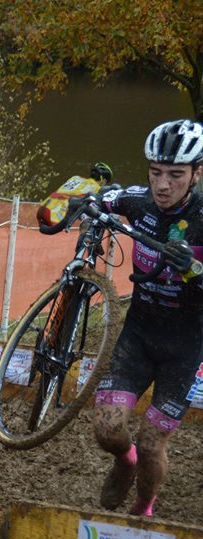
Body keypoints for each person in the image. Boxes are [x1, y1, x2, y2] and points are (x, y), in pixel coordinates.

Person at [81, 119, 203, 517]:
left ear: (197, 174)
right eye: (155, 173)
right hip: (139, 334)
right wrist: (84, 204)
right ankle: (125, 460)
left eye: (175, 175)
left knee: (153, 443)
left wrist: (195, 267)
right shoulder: (141, 201)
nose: (162, 185)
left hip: (187, 348)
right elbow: (105, 197)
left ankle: (143, 507)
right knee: (107, 429)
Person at [36, 161, 114, 227]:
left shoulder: (75, 178)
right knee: (89, 217)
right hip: (55, 216)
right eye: (106, 182)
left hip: (43, 208)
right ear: (103, 179)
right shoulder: (96, 187)